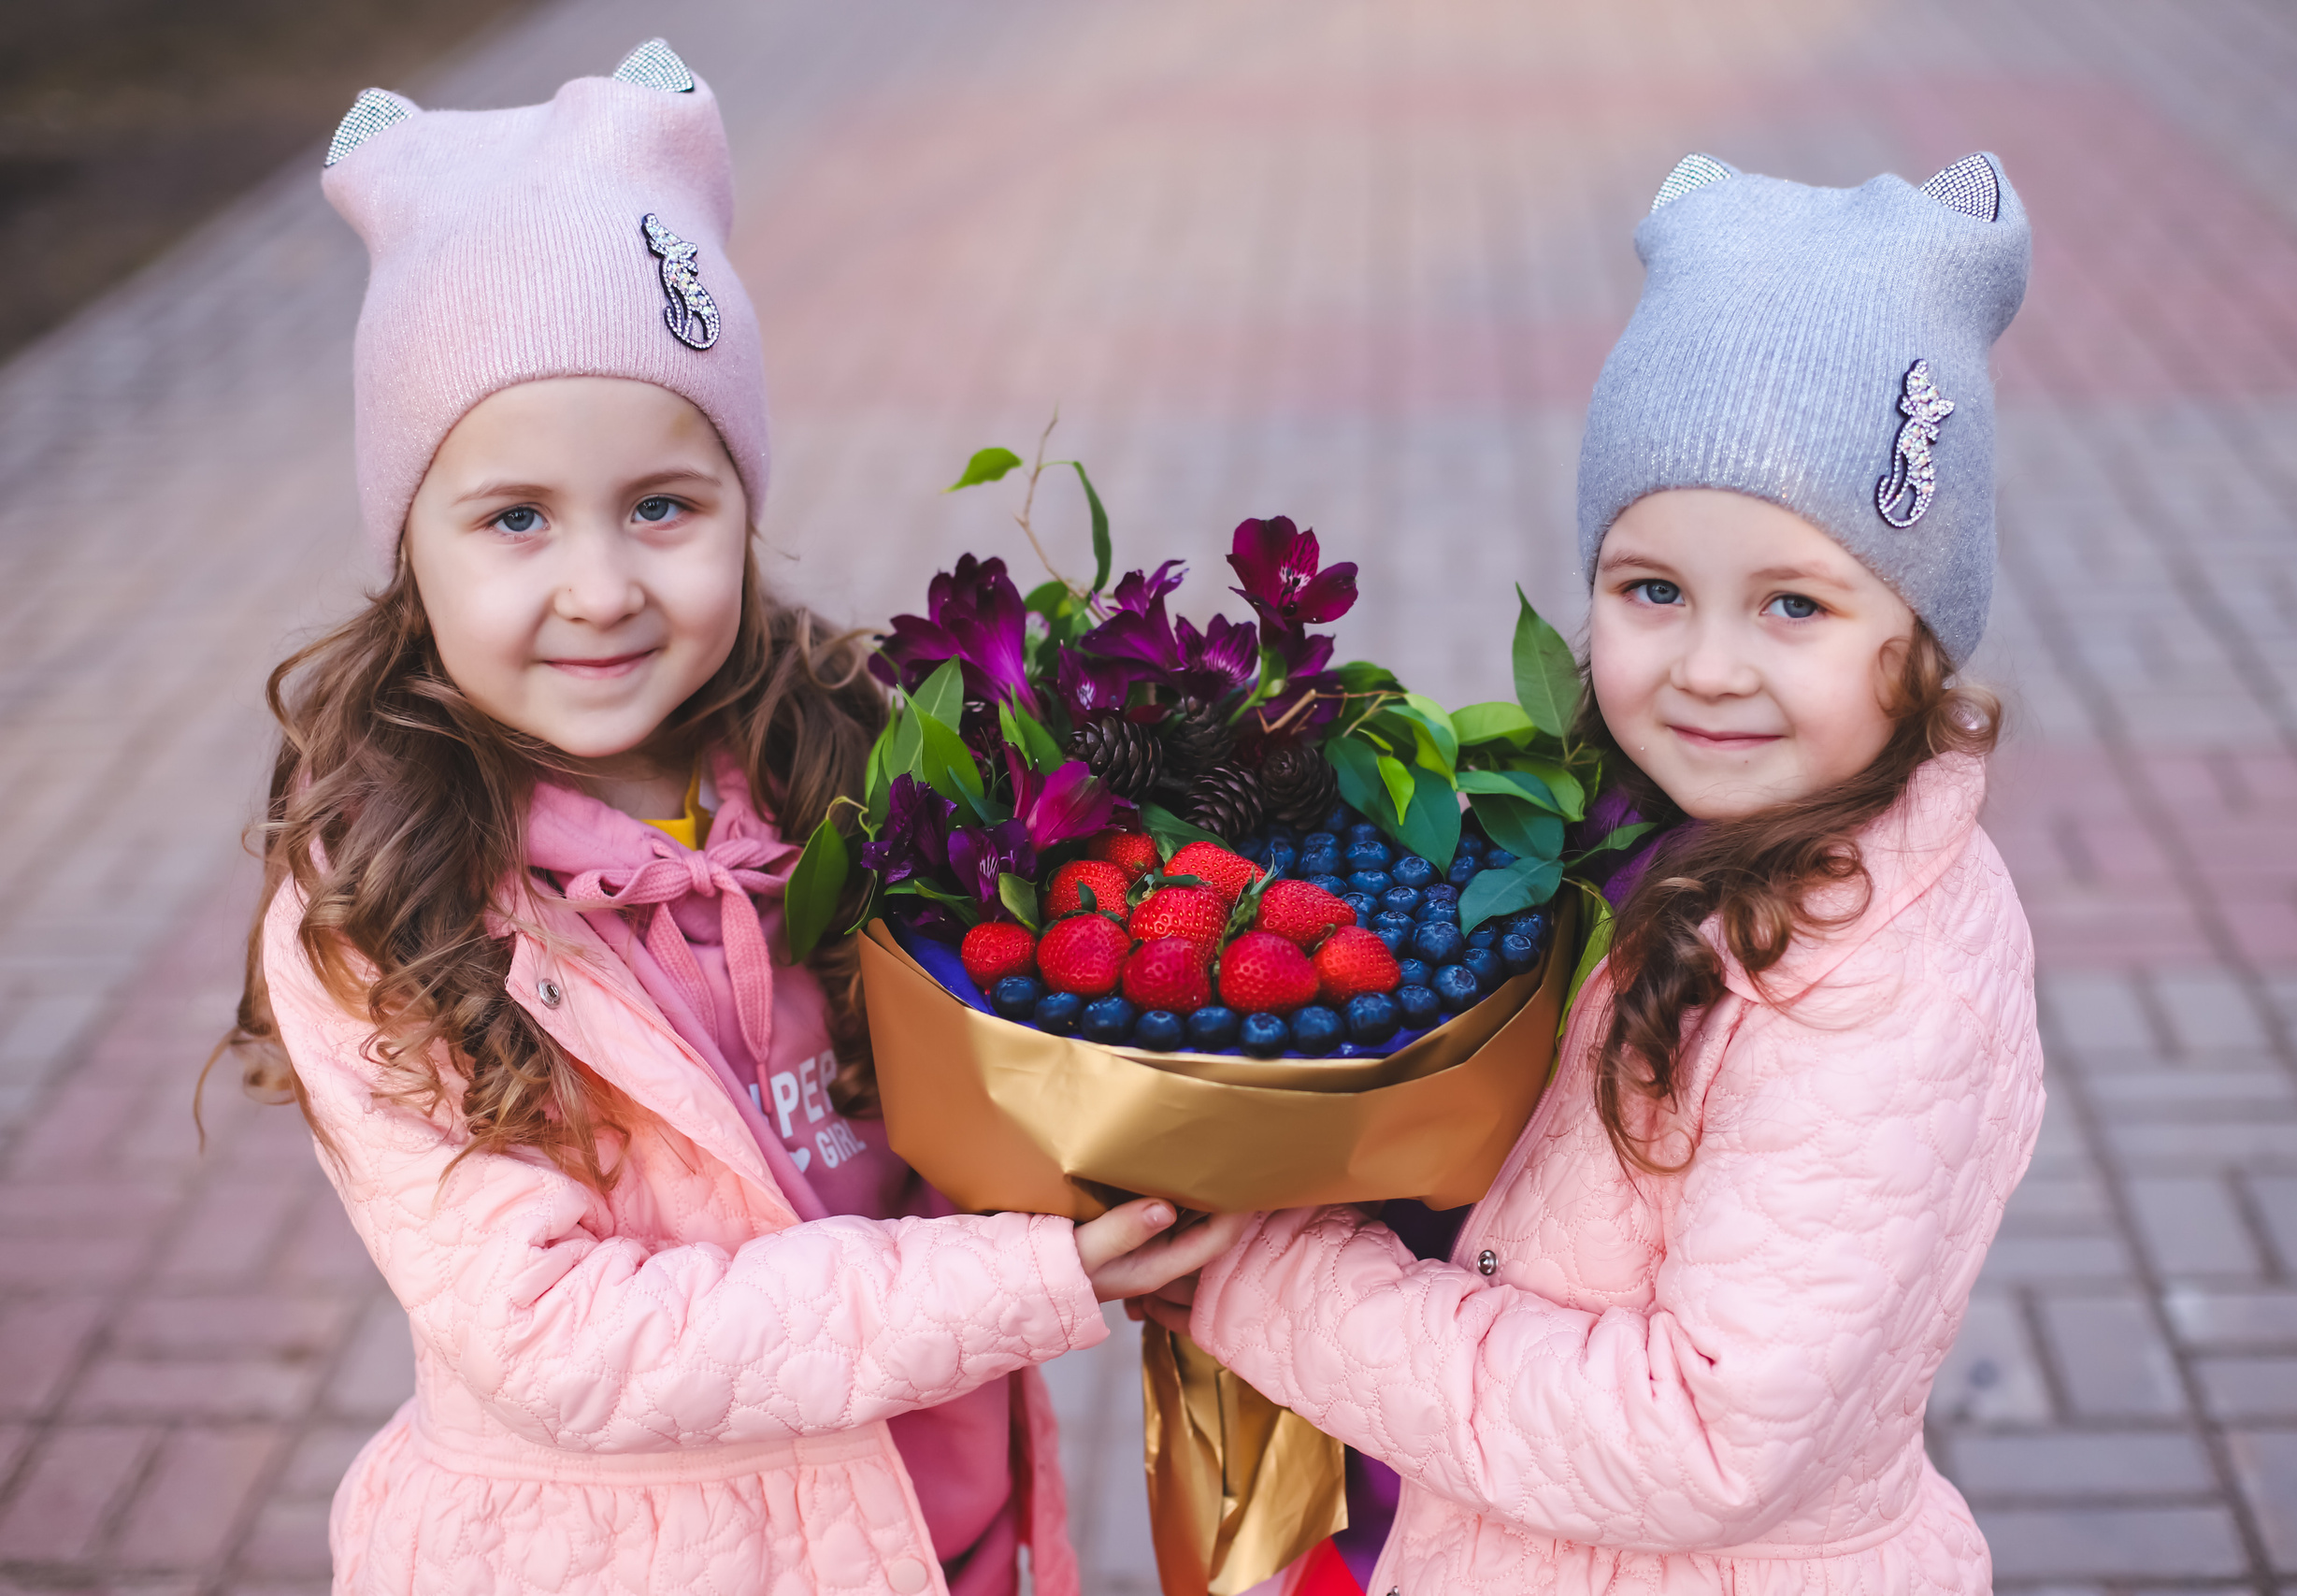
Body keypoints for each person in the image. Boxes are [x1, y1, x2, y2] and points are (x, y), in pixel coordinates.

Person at [220, 42, 1241, 1594]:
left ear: (741, 502)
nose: (602, 588)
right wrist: (1021, 1277)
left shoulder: (846, 760)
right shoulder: (384, 897)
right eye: (512, 519)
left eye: (661, 505)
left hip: (935, 1533)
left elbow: (970, 1097)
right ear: (406, 545)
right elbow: (559, 1339)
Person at [1144, 151, 2046, 1596]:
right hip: (1463, 1516)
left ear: (1922, 633)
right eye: (1652, 589)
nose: (1705, 667)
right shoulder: (1627, 831)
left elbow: (1698, 1438)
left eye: (1795, 604)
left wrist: (1265, 1281)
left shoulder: (1878, 980)